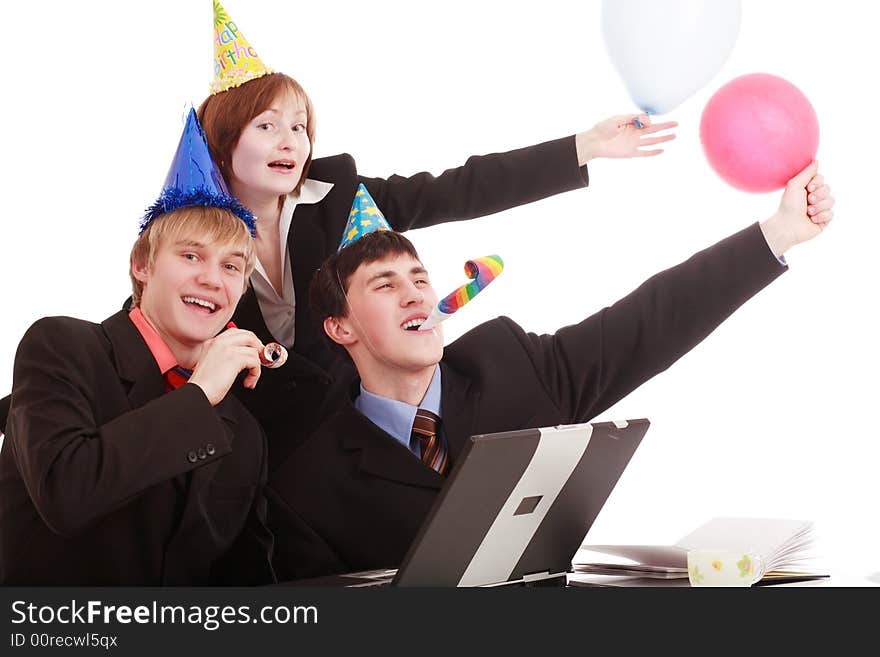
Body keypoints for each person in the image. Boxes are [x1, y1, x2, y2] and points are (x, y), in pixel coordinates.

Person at [265, 163, 834, 580]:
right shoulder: (309, 477)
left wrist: (778, 234)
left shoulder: (511, 368)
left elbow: (648, 324)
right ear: (340, 328)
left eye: (419, 279)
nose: (414, 296)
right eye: (385, 286)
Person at [196, 2, 678, 466]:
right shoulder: (190, 232)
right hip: (257, 440)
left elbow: (458, 189)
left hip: (357, 436)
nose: (290, 141)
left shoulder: (337, 193)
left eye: (299, 127)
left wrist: (584, 146)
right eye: (267, 126)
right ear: (223, 142)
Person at [0, 110, 275, 585]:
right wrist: (200, 395)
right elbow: (68, 494)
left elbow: (246, 584)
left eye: (232, 267)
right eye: (191, 256)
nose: (213, 279)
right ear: (142, 265)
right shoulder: (63, 349)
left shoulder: (244, 432)